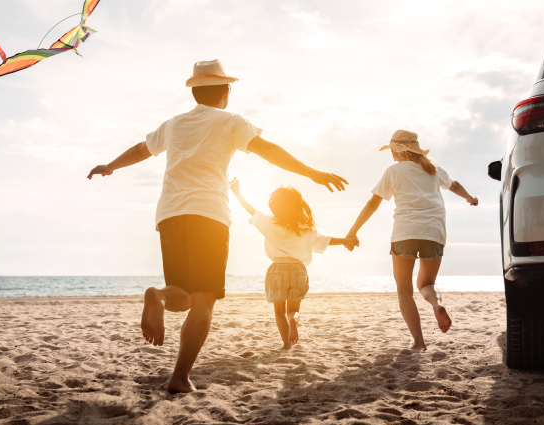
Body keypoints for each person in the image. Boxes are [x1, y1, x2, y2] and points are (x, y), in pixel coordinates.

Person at [86, 59, 348, 393]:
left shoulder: (174, 124)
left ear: (195, 92)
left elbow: (142, 149)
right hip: (209, 214)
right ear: (226, 92)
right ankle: (179, 377)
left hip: (170, 214)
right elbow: (268, 151)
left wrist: (110, 166)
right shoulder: (232, 122)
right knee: (204, 299)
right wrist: (312, 173)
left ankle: (159, 298)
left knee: (181, 294)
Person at [345, 130, 478, 351]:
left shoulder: (393, 171)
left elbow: (372, 204)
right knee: (426, 285)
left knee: (404, 290)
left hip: (405, 233)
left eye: (392, 150)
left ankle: (418, 341)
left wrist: (353, 231)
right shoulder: (433, 169)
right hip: (433, 233)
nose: (391, 155)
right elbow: (454, 185)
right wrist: (470, 198)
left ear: (399, 150)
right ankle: (437, 304)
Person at [229, 179, 358, 349]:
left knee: (278, 312)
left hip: (277, 269)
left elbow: (250, 210)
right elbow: (326, 240)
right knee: (293, 310)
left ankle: (286, 344)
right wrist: (346, 240)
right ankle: (293, 319)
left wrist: (237, 192)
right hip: (298, 270)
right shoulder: (305, 228)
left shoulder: (268, 222)